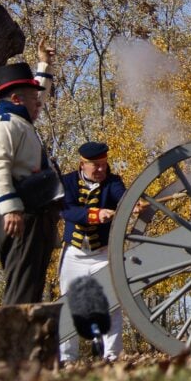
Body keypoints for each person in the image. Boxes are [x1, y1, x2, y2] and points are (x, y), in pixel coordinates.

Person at [0, 40, 58, 305]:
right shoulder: (5, 126)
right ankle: (9, 334)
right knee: (21, 296)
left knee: (31, 292)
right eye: (33, 100)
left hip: (34, 214)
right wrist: (11, 208)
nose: (39, 104)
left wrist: (44, 65)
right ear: (16, 99)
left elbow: (38, 93)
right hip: (21, 214)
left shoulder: (19, 120)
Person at [58, 141, 125, 363]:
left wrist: (133, 204)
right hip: (74, 254)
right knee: (68, 304)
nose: (101, 169)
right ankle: (67, 358)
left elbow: (122, 196)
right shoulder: (67, 182)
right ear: (82, 164)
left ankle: (113, 356)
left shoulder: (113, 182)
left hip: (102, 253)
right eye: (96, 165)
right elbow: (67, 210)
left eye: (104, 164)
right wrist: (94, 215)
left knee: (112, 303)